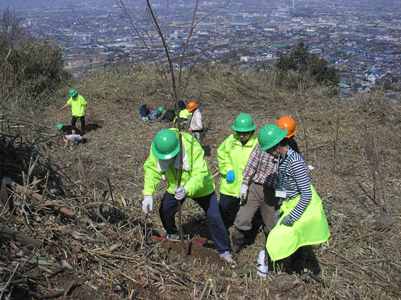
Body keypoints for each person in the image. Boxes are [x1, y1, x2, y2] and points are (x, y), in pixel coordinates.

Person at [142, 128, 235, 264]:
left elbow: (200, 173)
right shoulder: (158, 147)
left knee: (214, 216)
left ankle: (224, 250)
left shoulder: (191, 145)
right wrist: (148, 194)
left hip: (200, 187)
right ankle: (172, 233)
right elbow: (151, 169)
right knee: (165, 210)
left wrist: (187, 189)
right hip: (175, 185)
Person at [258, 124, 330, 270]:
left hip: (301, 204)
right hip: (288, 202)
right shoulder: (282, 158)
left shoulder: (295, 161)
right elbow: (286, 182)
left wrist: (292, 218)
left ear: (277, 146)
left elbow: (306, 194)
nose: (269, 154)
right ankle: (290, 264)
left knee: (285, 234)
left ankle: (296, 265)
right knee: (290, 235)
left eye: (269, 151)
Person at [231, 127, 280, 253]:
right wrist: (245, 185)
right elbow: (251, 165)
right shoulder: (261, 145)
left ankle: (273, 251)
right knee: (242, 219)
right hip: (255, 187)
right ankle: (236, 246)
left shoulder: (287, 154)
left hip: (272, 192)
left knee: (272, 225)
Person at [217, 113, 258, 235]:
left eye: (245, 133)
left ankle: (242, 230)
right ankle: (222, 227)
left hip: (247, 185)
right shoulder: (230, 140)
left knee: (243, 209)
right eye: (239, 132)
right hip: (230, 184)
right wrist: (228, 169)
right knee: (224, 206)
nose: (241, 135)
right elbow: (221, 154)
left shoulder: (257, 145)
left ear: (251, 131)